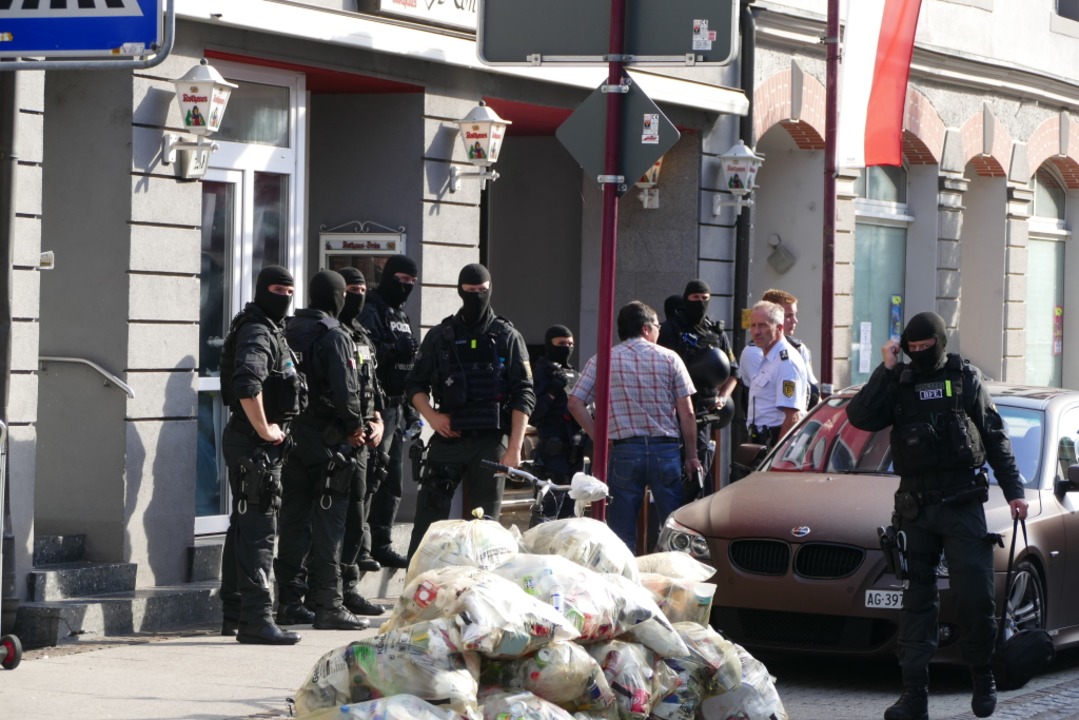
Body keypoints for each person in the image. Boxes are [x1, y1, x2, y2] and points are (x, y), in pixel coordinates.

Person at [846, 312, 1028, 720]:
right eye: (913, 350)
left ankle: (982, 675)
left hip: (963, 506)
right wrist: (887, 368)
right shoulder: (899, 383)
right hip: (916, 507)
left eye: (927, 349)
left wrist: (1014, 492)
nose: (920, 356)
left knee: (975, 595)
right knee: (916, 600)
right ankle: (915, 695)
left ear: (941, 343)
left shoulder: (965, 378)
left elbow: (995, 436)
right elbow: (859, 416)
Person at [405, 263, 535, 558]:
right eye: (470, 291)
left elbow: (524, 394)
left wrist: (514, 448)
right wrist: (432, 417)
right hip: (449, 437)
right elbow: (414, 385)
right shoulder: (441, 335)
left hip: (491, 443)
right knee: (429, 521)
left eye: (482, 291)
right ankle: (415, 584)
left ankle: (480, 585)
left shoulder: (507, 336)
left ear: (491, 289)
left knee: (485, 527)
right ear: (460, 291)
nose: (476, 296)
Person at [274, 270, 377, 631]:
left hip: (291, 437)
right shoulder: (334, 334)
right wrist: (356, 428)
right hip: (329, 439)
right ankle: (328, 603)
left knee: (293, 520)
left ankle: (288, 600)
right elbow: (346, 390)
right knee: (330, 524)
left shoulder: (286, 329)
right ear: (336, 298)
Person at [568, 301, 702, 554]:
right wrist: (692, 455)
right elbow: (688, 413)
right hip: (666, 451)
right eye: (657, 327)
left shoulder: (603, 360)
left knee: (621, 533)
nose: (659, 332)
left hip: (624, 450)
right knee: (674, 526)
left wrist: (599, 436)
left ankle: (625, 582)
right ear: (645, 328)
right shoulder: (670, 358)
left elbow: (574, 402)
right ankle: (673, 580)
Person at [218, 264, 305, 645]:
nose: (284, 297)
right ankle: (256, 619)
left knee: (243, 525)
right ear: (260, 290)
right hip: (253, 445)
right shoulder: (257, 330)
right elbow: (246, 384)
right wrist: (265, 428)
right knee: (258, 531)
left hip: (253, 443)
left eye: (290, 291)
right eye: (277, 289)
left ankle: (234, 614)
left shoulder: (268, 328)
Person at [357, 254, 421, 570]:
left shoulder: (400, 315)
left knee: (392, 481)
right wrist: (396, 350)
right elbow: (367, 356)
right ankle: (361, 547)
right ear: (389, 277)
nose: (407, 287)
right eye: (402, 281)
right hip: (376, 409)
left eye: (412, 283)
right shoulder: (372, 309)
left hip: (397, 406)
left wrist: (411, 409)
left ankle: (381, 543)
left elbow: (407, 366)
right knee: (371, 479)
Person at [334, 267, 389, 617]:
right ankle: (325, 588)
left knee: (357, 512)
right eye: (352, 289)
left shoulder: (362, 335)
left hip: (365, 436)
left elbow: (371, 385)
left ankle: (348, 585)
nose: (359, 294)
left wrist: (378, 419)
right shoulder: (331, 332)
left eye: (363, 288)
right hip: (337, 437)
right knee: (330, 517)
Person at [658, 280, 739, 494]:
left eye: (705, 298)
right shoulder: (670, 329)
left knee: (699, 471)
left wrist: (722, 397)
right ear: (686, 299)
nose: (701, 303)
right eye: (695, 298)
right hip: (670, 413)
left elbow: (734, 372)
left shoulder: (716, 332)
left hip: (703, 414)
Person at [529, 325, 591, 520]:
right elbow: (534, 413)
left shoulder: (575, 374)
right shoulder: (540, 372)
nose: (567, 348)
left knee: (571, 511)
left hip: (575, 449)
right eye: (561, 344)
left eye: (570, 344)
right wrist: (552, 391)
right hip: (552, 452)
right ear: (550, 344)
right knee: (549, 509)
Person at [738, 300, 809, 448]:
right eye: (753, 325)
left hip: (775, 443)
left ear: (779, 328)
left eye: (763, 325)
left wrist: (775, 457)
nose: (756, 331)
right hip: (760, 442)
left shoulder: (786, 362)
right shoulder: (769, 357)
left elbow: (792, 416)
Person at [761, 288, 821, 407]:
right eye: (788, 316)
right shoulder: (754, 352)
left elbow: (813, 392)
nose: (795, 321)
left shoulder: (799, 348)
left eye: (795, 315)